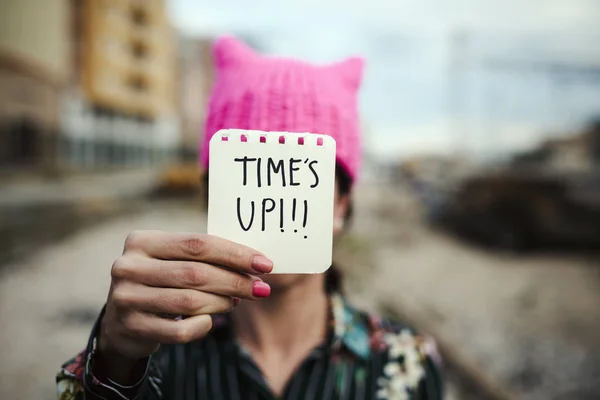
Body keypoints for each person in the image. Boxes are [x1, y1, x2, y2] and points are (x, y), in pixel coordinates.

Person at [56, 35, 443, 400]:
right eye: (247, 172)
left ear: (340, 206)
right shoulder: (153, 352)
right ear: (213, 199)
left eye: (302, 173)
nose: (274, 191)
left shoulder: (407, 364)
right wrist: (112, 362)